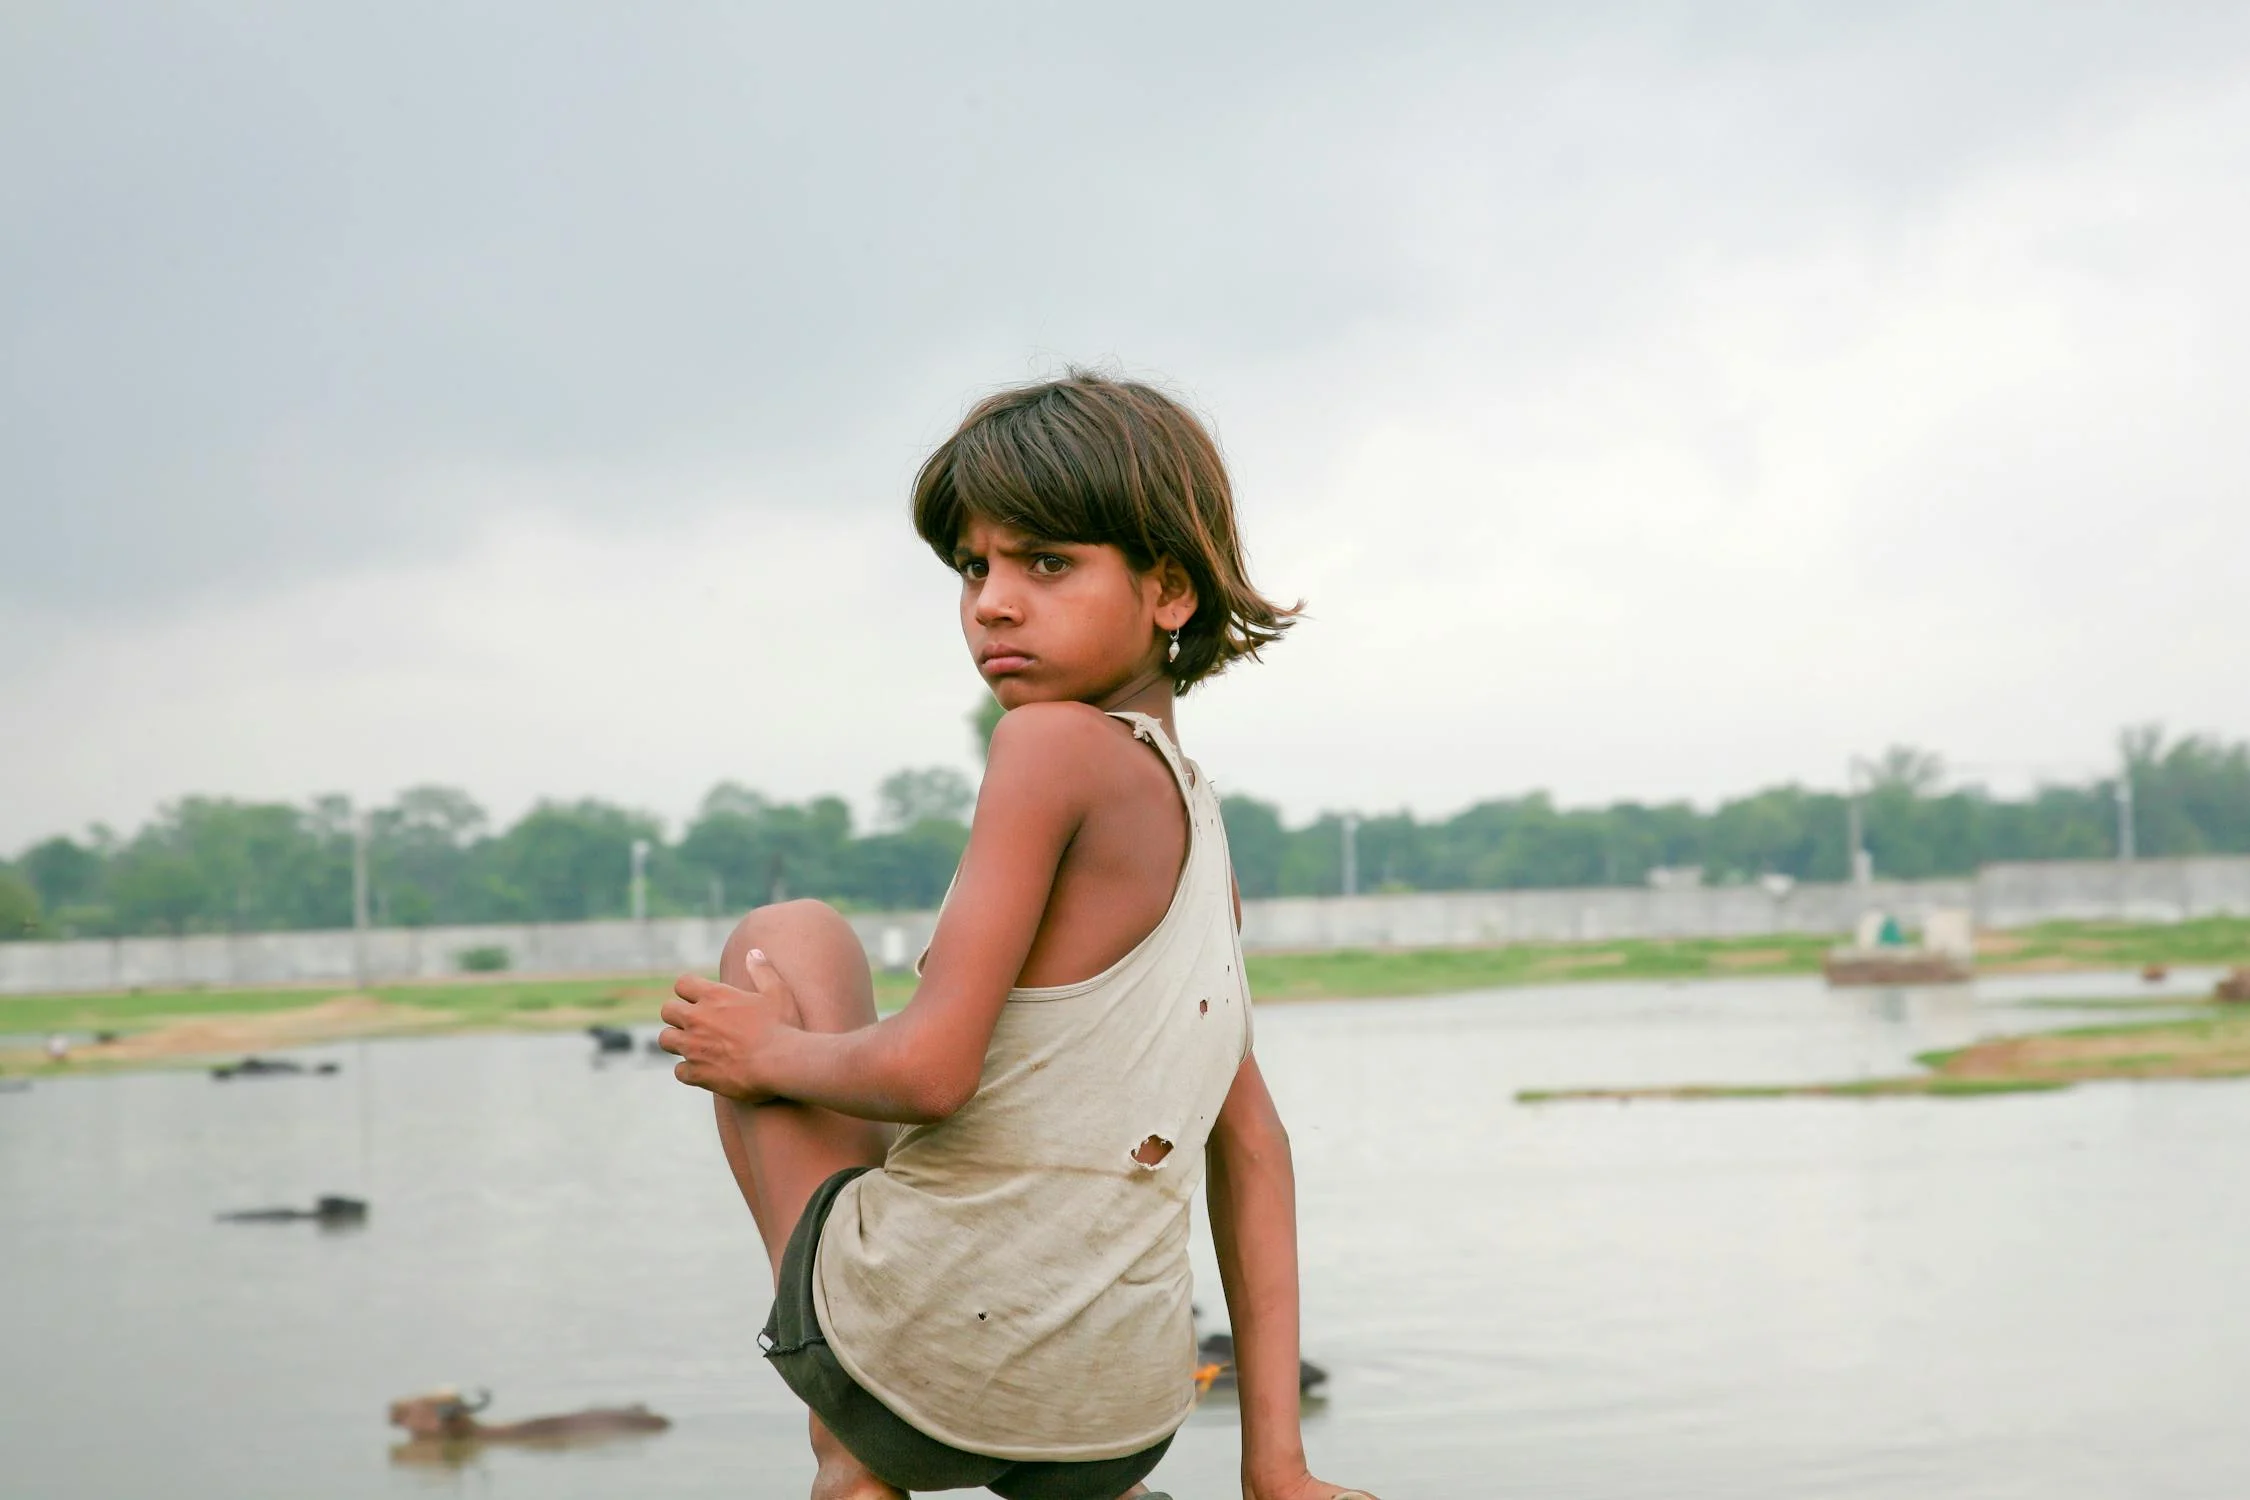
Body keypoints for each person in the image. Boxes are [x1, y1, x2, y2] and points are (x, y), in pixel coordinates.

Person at [658, 372, 1377, 1500]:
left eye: (1046, 564)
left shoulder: (1047, 746)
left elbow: (932, 1073)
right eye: (972, 568)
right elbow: (1252, 1150)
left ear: (1170, 591)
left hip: (933, 1349)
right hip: (1120, 1412)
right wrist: (1276, 1467)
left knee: (789, 936)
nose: (992, 602)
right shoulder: (1206, 842)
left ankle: (853, 1449)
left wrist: (765, 1055)